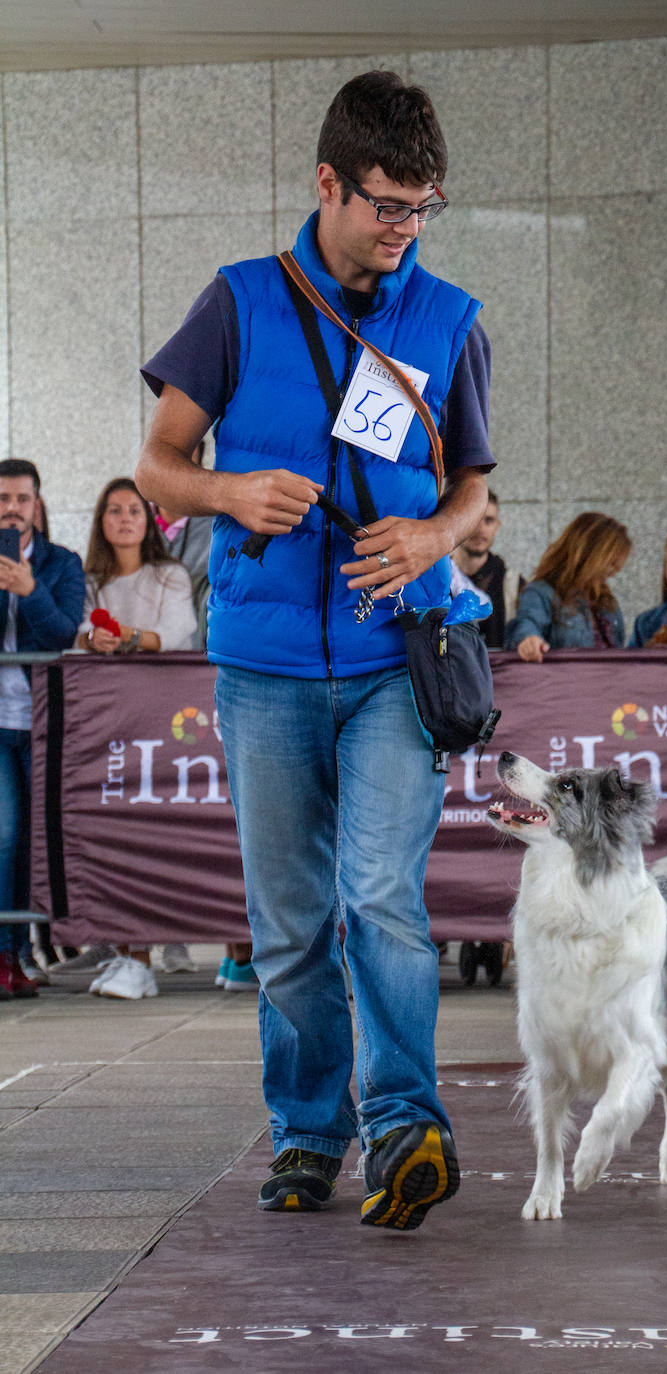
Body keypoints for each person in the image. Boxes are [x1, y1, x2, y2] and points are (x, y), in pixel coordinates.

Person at [135, 70, 492, 1229]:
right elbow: (157, 467)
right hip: (267, 664)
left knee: (380, 894)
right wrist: (231, 491)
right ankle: (304, 1134)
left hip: (400, 658)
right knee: (288, 921)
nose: (405, 230)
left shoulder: (449, 320)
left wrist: (430, 535)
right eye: (387, 205)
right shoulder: (238, 303)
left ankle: (405, 1130)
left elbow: (473, 488)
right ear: (327, 184)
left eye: (423, 208)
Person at [75, 477, 198, 1000]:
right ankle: (125, 951)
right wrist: (89, 637)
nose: (124, 518)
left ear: (149, 522)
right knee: (112, 834)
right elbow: (77, 634)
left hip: (159, 722)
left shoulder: (169, 575)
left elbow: (177, 633)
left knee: (150, 833)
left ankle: (145, 954)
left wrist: (122, 637)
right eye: (113, 510)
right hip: (107, 725)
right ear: (101, 522)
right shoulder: (90, 582)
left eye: (134, 510)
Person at [0, 459, 85, 999]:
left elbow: (61, 636)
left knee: (35, 840)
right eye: (3, 499)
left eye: (21, 499)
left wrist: (29, 589)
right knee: (5, 833)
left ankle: (21, 952)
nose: (12, 509)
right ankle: (4, 956)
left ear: (38, 503)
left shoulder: (62, 563)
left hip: (42, 722)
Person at [505, 512, 631, 662]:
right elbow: (527, 623)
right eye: (611, 563)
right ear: (587, 554)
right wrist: (529, 640)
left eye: (617, 565)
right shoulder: (541, 592)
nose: (615, 571)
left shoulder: (607, 602)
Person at [153, 438, 213, 650]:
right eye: (169, 457)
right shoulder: (133, 521)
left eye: (186, 458)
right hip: (140, 654)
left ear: (199, 469)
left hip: (198, 659)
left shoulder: (217, 526)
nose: (175, 469)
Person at [450, 488, 524, 648]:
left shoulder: (515, 584)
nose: (481, 528)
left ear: (497, 526)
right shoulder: (435, 576)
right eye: (474, 519)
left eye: (488, 520)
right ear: (456, 522)